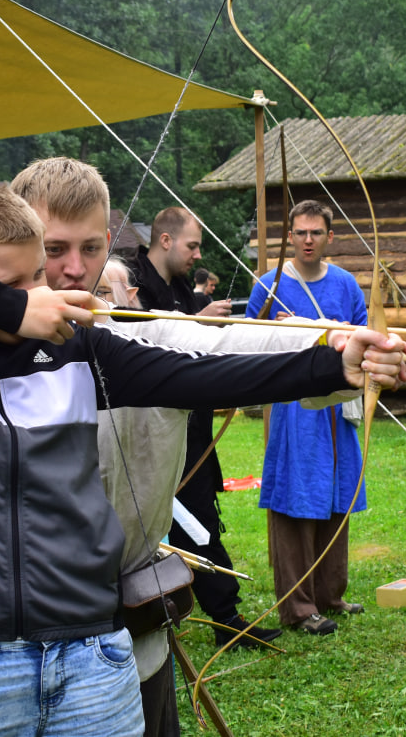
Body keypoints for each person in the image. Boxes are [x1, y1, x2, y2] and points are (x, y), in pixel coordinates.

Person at [0, 185, 406, 736]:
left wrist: (332, 367)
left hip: (89, 651)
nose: (44, 291)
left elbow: (199, 375)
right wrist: (11, 309)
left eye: (38, 274)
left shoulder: (78, 347)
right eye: (16, 283)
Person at [8, 157, 360, 736]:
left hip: (129, 638)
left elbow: (233, 345)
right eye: (54, 249)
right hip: (12, 657)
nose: (76, 270)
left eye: (92, 248)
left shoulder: (139, 339)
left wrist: (334, 345)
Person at [132, 207, 286, 648]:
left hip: (192, 429)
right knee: (160, 525)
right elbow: (148, 343)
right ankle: (172, 610)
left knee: (199, 520)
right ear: (165, 240)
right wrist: (199, 323)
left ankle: (224, 615)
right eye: (192, 245)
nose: (197, 254)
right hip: (151, 433)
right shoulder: (135, 286)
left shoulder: (181, 287)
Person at [246, 200, 368, 636]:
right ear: (290, 237)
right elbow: (250, 343)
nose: (308, 240)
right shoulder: (270, 284)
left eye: (316, 232)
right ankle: (298, 608)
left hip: (335, 406)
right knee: (296, 501)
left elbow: (362, 335)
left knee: (336, 497)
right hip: (294, 410)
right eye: (300, 233)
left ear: (329, 237)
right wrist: (290, 332)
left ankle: (329, 594)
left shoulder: (346, 284)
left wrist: (318, 325)